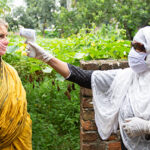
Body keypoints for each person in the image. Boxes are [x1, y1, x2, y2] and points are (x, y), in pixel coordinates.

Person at [26, 26, 150, 150]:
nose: (133, 52)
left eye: (139, 47)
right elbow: (83, 77)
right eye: (132, 46)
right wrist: (45, 57)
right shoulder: (127, 76)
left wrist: (146, 126)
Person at [0, 19, 32, 149]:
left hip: (17, 139)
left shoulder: (10, 72)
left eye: (6, 36)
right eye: (0, 36)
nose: (6, 41)